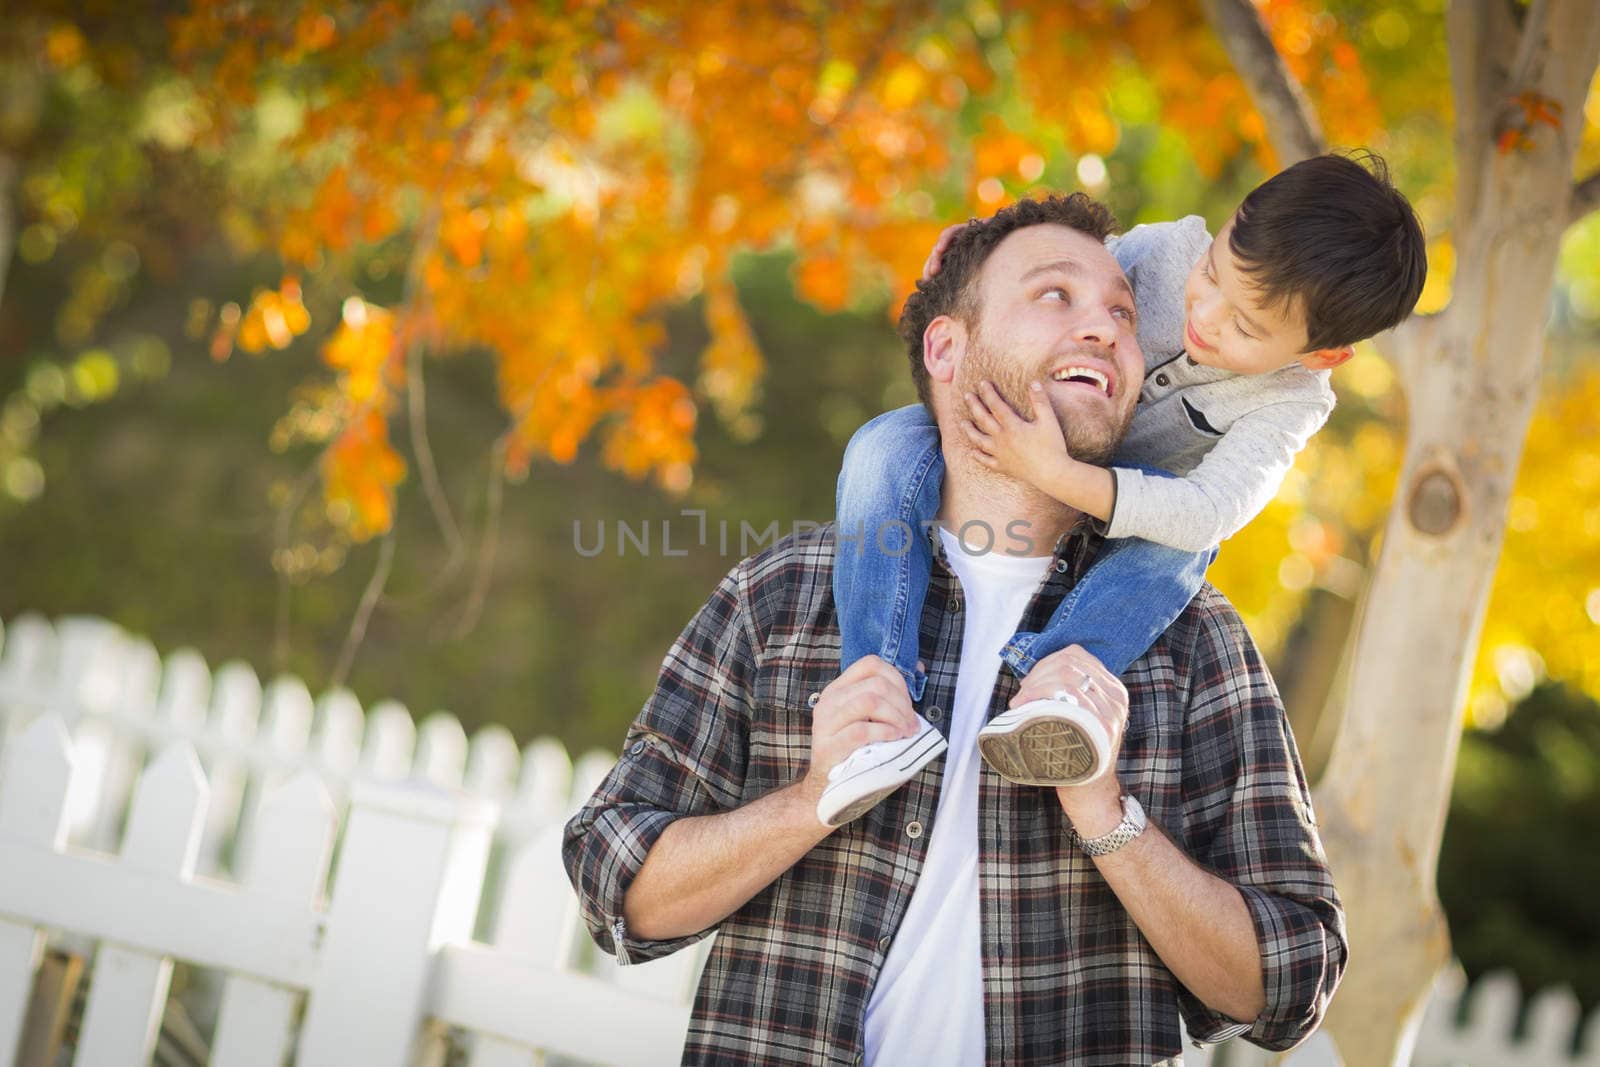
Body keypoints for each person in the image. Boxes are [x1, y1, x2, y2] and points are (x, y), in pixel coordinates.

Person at [563, 192, 1346, 1066]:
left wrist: (1105, 811)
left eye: (1125, 313)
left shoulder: (1196, 645)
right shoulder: (782, 596)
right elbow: (612, 885)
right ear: (947, 346)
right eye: (1055, 295)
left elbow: (1289, 984)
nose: (1107, 327)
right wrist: (814, 798)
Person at [818, 151, 1426, 826]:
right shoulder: (1166, 249)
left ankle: (1057, 687)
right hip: (1009, 440)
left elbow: (1208, 511)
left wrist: (1061, 475)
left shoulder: (1292, 403)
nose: (1208, 312)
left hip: (1124, 519)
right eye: (1215, 272)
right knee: (883, 444)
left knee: (1187, 548)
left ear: (1322, 355)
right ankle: (878, 692)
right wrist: (978, 245)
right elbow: (1058, 270)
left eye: (1247, 326)